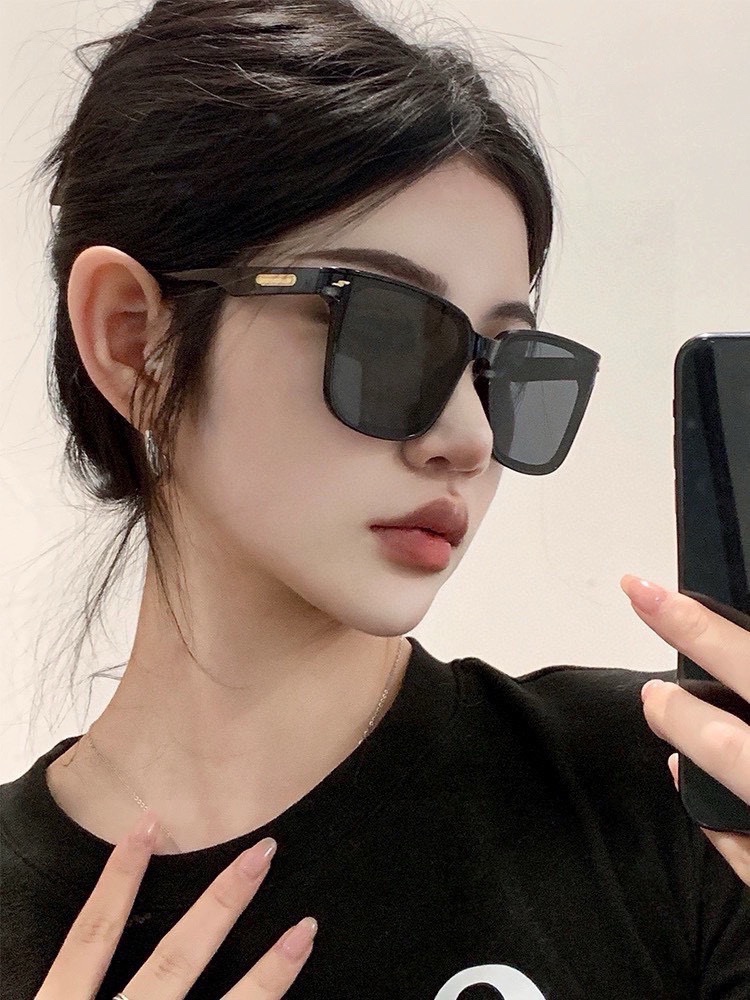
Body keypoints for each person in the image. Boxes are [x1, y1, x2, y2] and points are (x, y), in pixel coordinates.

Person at [1, 0, 748, 997]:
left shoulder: (679, 791)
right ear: (137, 337)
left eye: (505, 367)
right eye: (387, 335)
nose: (469, 439)